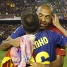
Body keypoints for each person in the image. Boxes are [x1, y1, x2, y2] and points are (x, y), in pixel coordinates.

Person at [0, 4, 67, 67]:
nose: (43, 20)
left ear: (52, 18)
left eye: (47, 17)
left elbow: (60, 61)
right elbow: (3, 46)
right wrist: (12, 42)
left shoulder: (56, 31)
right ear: (36, 15)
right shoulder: (26, 27)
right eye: (40, 16)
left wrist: (58, 26)